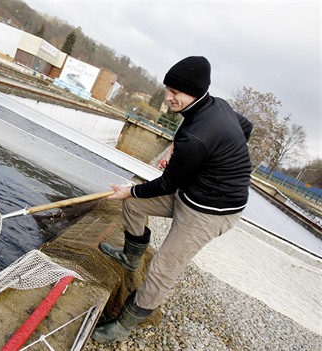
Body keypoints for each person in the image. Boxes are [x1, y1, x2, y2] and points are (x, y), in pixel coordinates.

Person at [91, 56, 253, 344]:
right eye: (168, 89)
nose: (168, 98)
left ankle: (123, 325)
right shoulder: (216, 107)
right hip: (192, 191)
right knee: (134, 204)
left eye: (175, 93)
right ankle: (130, 257)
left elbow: (167, 183)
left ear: (195, 91)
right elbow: (246, 127)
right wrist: (187, 153)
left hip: (211, 211)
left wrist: (130, 189)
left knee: (163, 268)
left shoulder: (198, 136)